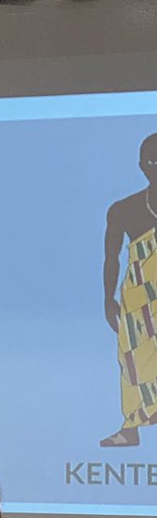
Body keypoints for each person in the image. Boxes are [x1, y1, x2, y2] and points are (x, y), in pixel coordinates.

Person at [101, 133, 157, 447]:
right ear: (141, 166)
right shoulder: (124, 208)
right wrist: (108, 299)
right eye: (152, 160)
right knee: (132, 359)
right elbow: (112, 257)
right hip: (138, 296)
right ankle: (131, 428)